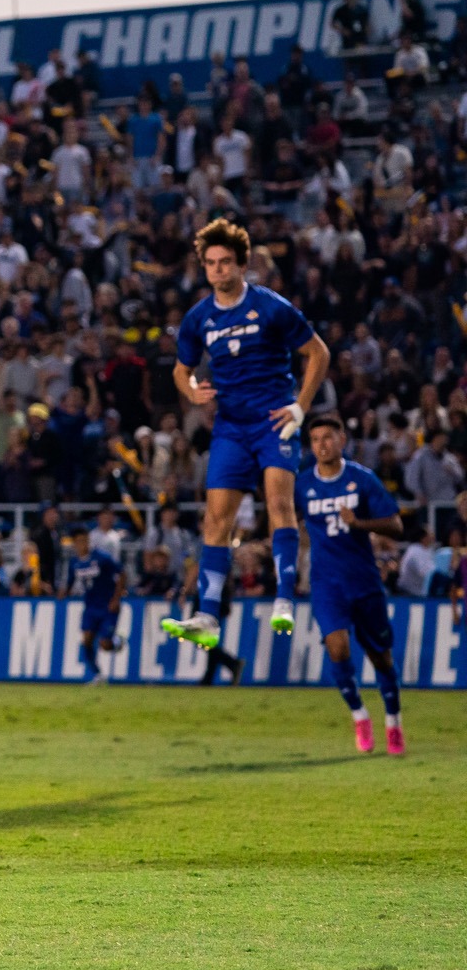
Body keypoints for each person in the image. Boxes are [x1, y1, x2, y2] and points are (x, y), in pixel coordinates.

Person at [162, 219, 329, 650]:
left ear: (242, 264)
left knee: (278, 501)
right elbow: (180, 372)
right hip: (231, 427)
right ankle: (207, 616)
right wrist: (192, 391)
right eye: (211, 264)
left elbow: (318, 353)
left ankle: (285, 600)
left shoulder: (270, 306)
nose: (218, 270)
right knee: (215, 520)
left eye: (225, 263)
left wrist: (300, 406)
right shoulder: (198, 318)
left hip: (274, 420)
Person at [297, 416, 408, 755]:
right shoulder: (302, 484)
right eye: (315, 439)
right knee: (337, 648)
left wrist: (358, 523)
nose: (321, 445)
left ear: (341, 439)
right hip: (326, 582)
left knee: (381, 657)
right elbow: (289, 522)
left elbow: (396, 526)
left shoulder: (362, 479)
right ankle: (360, 716)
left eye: (327, 437)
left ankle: (393, 722)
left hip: (363, 580)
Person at [66, 526, 124, 684]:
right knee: (86, 641)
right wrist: (63, 593)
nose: (81, 544)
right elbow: (70, 582)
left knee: (104, 644)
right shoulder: (74, 563)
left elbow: (121, 574)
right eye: (77, 542)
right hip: (90, 607)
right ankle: (97, 675)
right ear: (73, 544)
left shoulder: (102, 558)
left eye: (84, 541)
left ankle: (117, 642)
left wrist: (116, 599)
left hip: (107, 606)